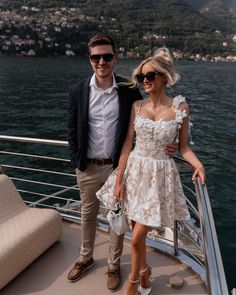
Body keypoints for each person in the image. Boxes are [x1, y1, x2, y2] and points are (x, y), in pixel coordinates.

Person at [67, 34, 177, 292]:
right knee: (87, 214)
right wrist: (77, 161)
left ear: (115, 58)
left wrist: (168, 144)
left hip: (118, 167)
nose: (101, 61)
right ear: (90, 60)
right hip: (87, 166)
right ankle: (85, 257)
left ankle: (114, 265)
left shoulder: (129, 90)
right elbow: (72, 128)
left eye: (107, 56)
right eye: (96, 57)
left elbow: (143, 124)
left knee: (116, 216)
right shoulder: (78, 91)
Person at [96, 47, 205, 295]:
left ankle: (133, 285)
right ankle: (145, 273)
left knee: (135, 238)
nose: (145, 80)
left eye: (151, 75)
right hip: (135, 173)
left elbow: (184, 147)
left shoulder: (180, 107)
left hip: (159, 179)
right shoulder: (137, 106)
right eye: (142, 76)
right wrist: (119, 178)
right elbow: (126, 144)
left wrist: (198, 164)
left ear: (164, 77)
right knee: (137, 234)